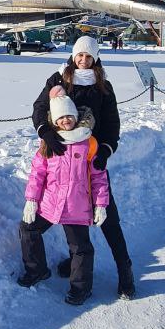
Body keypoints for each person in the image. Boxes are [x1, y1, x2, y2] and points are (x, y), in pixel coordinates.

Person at [31, 35, 136, 299]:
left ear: (96, 59)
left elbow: (112, 125)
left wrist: (105, 151)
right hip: (60, 157)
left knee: (109, 218)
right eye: (80, 55)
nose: (83, 60)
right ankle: (71, 261)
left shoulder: (104, 87)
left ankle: (125, 272)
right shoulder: (58, 79)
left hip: (91, 160)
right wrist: (46, 132)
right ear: (73, 55)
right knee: (64, 212)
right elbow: (40, 107)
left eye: (89, 56)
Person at [18, 94, 109, 304]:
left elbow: (98, 177)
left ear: (76, 116)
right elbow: (37, 174)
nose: (65, 120)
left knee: (80, 248)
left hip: (77, 206)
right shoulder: (49, 143)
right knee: (28, 229)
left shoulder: (89, 143)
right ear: (54, 120)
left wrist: (101, 204)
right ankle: (37, 270)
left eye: (69, 115)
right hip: (50, 203)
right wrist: (31, 200)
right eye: (60, 118)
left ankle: (80, 288)